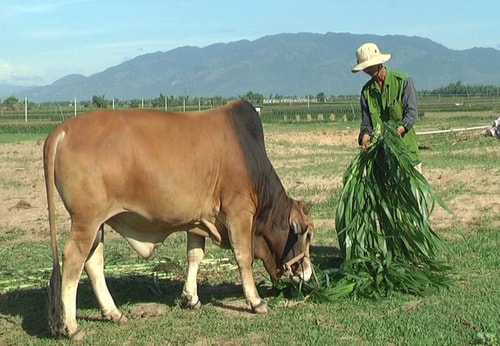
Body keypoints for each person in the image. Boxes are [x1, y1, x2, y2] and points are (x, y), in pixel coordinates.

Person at [352, 42, 421, 171]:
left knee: (411, 191)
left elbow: (411, 114)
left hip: (406, 152)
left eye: (369, 66)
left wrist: (396, 132)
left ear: (378, 63)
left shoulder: (403, 81)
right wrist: (365, 137)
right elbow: (366, 123)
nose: (367, 70)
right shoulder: (366, 91)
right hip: (382, 158)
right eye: (365, 68)